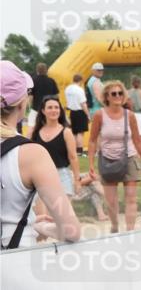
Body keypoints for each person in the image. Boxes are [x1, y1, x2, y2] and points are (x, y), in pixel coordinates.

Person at [0, 60, 81, 248]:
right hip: (15, 257)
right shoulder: (31, 154)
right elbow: (71, 230)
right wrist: (42, 227)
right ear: (22, 103)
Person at [87, 80, 141, 233]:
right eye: (114, 93)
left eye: (120, 93)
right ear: (107, 97)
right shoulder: (99, 115)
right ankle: (115, 227)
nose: (118, 96)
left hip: (129, 157)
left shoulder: (130, 116)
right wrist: (91, 164)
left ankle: (130, 232)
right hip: (107, 159)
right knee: (111, 201)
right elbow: (92, 140)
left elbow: (137, 140)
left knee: (131, 197)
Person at [30, 96, 87, 200]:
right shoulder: (35, 132)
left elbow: (73, 157)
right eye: (50, 107)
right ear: (43, 111)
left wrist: (77, 180)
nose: (54, 110)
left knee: (61, 210)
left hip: (62, 176)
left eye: (56, 107)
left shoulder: (66, 132)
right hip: (40, 177)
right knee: (41, 210)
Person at [65, 73, 89, 155]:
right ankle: (79, 151)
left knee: (74, 132)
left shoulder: (68, 89)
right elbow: (83, 103)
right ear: (81, 81)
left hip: (72, 112)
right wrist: (88, 114)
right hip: (80, 111)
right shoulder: (79, 90)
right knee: (80, 133)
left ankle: (74, 150)